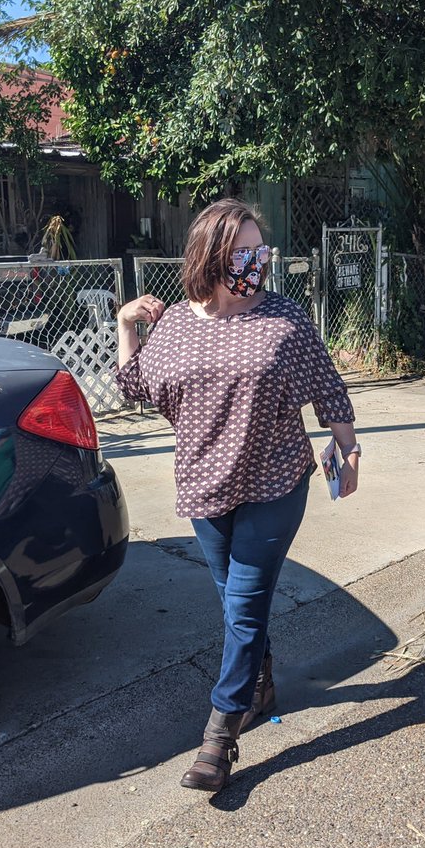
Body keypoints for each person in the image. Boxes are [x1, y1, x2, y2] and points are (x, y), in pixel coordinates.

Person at [114, 198, 360, 792]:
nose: (256, 260)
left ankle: (219, 737)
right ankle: (262, 683)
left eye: (259, 249)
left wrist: (347, 447)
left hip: (274, 482)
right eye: (242, 251)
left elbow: (325, 383)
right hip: (204, 486)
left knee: (245, 606)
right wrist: (126, 326)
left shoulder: (283, 316)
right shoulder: (176, 323)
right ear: (210, 256)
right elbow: (134, 386)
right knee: (236, 605)